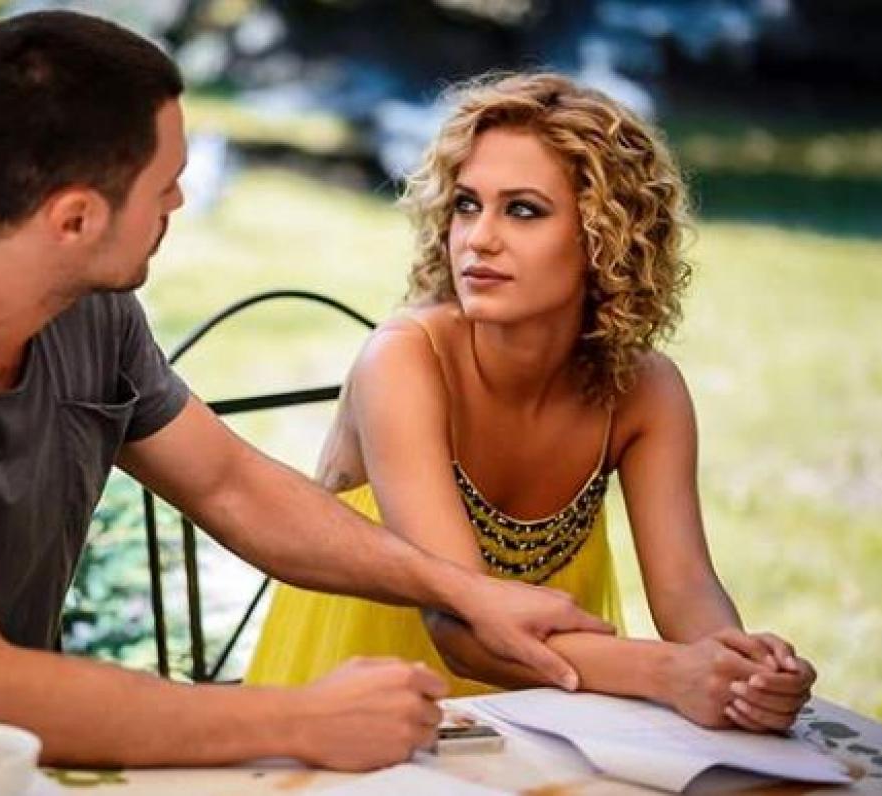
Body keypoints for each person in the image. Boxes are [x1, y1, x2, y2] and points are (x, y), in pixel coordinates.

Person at [0, 14, 615, 779]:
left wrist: (464, 591)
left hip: (5, 773)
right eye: (165, 182)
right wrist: (302, 718)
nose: (181, 199)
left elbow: (231, 487)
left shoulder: (84, 311)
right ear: (74, 218)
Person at [246, 72, 816, 733]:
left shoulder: (645, 392)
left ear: (604, 235)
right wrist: (670, 672)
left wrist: (741, 669)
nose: (478, 238)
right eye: (466, 205)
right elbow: (458, 628)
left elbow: (686, 587)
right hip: (366, 686)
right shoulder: (404, 361)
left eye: (522, 210)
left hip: (556, 693)